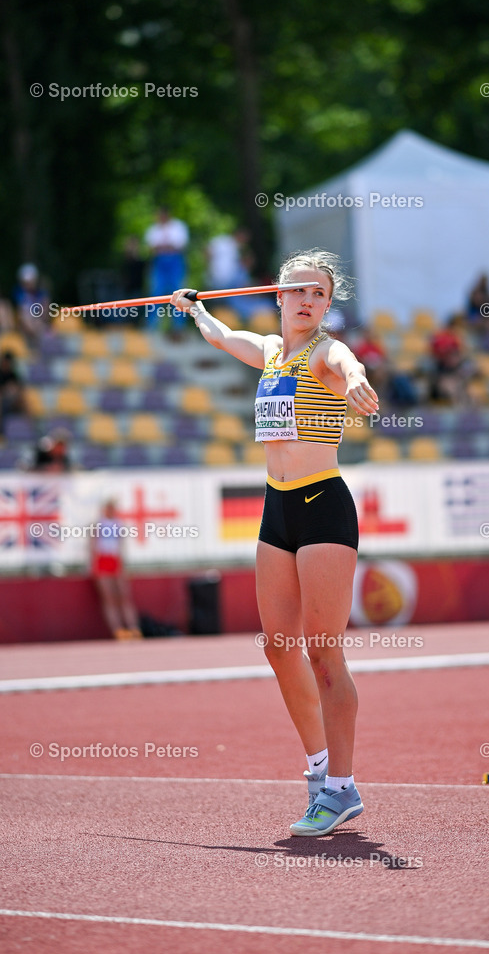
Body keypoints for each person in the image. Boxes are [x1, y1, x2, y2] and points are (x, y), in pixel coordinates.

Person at [171, 250, 379, 836]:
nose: (310, 301)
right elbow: (221, 336)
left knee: (323, 651)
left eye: (320, 294)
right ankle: (319, 772)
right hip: (276, 506)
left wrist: (358, 378)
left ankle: (341, 786)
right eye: (300, 291)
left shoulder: (326, 353)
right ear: (279, 295)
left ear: (326, 305)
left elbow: (348, 360)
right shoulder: (268, 350)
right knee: (278, 645)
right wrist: (193, 311)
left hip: (322, 506)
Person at [90, 499, 142, 640]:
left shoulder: (118, 524)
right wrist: (92, 565)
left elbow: (121, 546)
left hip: (115, 560)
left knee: (124, 596)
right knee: (109, 598)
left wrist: (122, 566)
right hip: (102, 560)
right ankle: (118, 629)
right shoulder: (98, 524)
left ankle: (133, 627)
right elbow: (92, 545)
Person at [144, 207, 189, 333]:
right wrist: (167, 247)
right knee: (155, 293)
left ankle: (179, 327)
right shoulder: (153, 229)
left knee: (179, 294)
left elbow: (180, 246)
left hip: (175, 262)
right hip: (159, 263)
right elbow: (152, 248)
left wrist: (163, 247)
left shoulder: (178, 227)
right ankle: (152, 326)